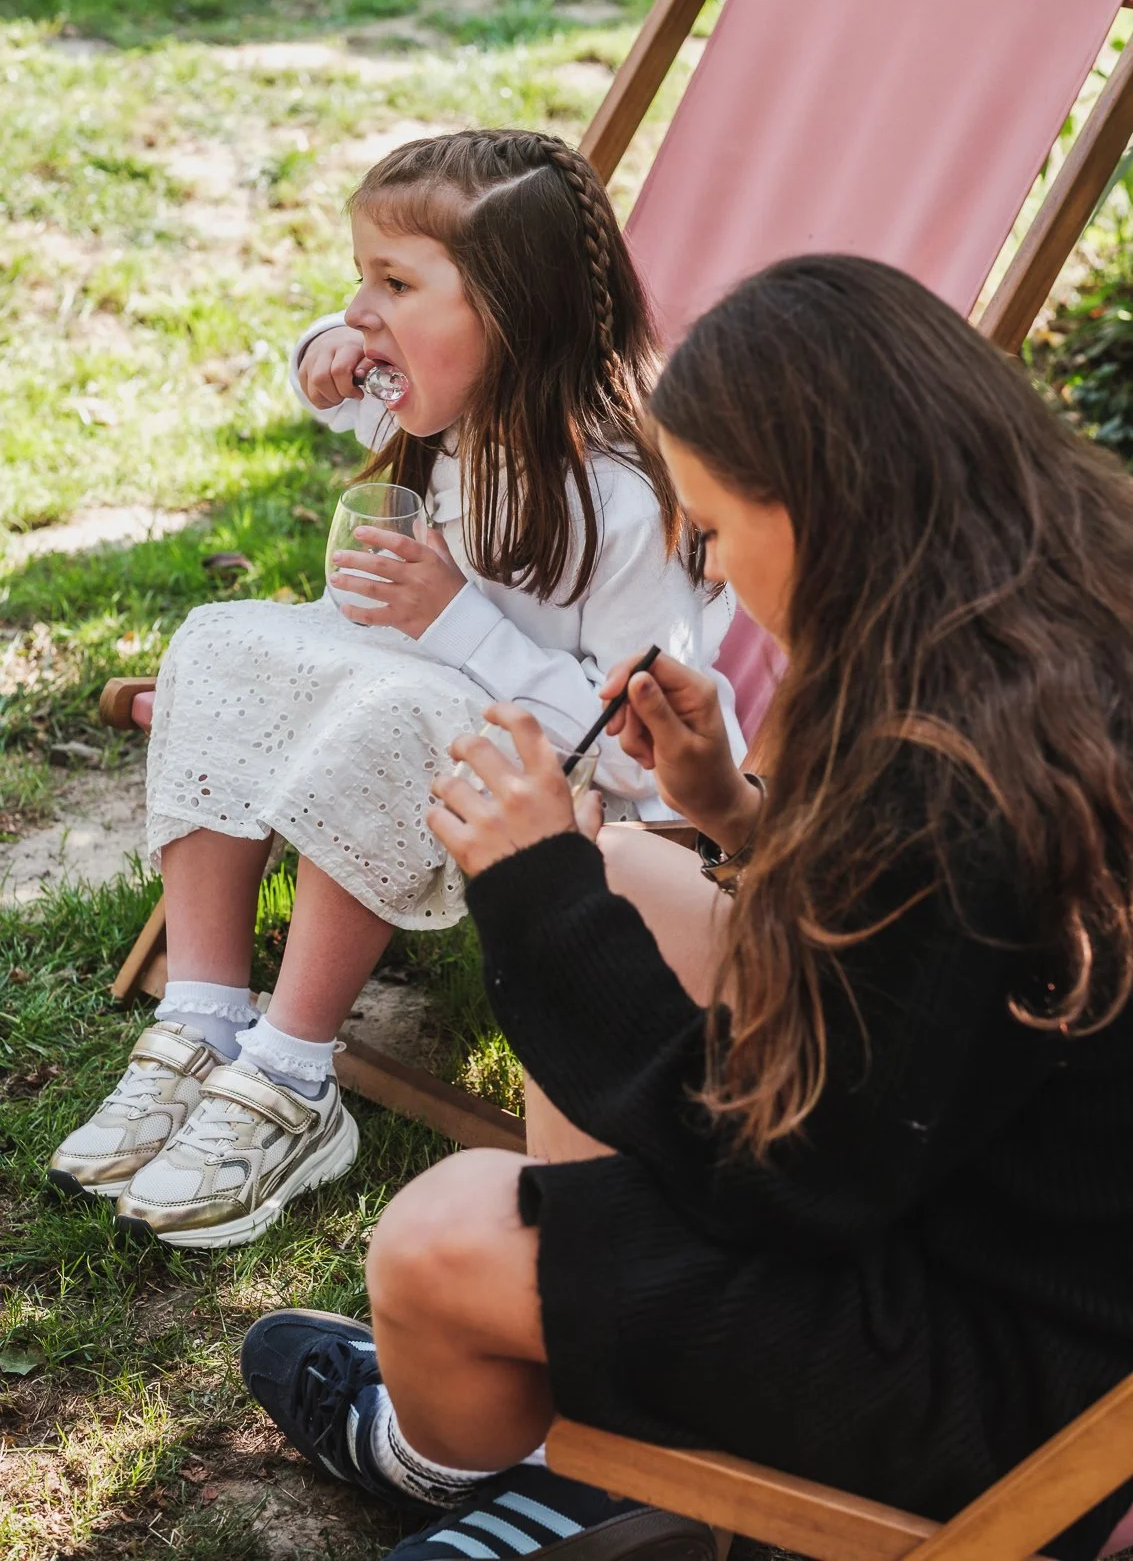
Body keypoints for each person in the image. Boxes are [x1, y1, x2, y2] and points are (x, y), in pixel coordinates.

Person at [241, 255, 1133, 1561]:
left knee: (438, 1243)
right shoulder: (1045, 631)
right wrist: (730, 817)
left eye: (710, 529)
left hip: (1018, 1394)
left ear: (818, 504)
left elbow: (790, 1185)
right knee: (630, 878)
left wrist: (538, 895)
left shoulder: (948, 772)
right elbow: (933, 984)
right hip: (1017, 1214)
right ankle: (594, 1393)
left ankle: (459, 1462)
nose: (706, 562)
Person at [48, 129, 738, 1248]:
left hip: (566, 783)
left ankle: (293, 1072)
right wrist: (326, 342)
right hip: (417, 705)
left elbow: (635, 743)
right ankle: (204, 1016)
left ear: (509, 317)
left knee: (389, 708)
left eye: (394, 283)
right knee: (218, 640)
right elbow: (326, 383)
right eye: (360, 277)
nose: (361, 313)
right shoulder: (444, 407)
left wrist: (450, 615)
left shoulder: (616, 497)